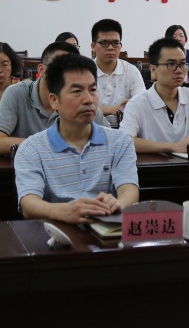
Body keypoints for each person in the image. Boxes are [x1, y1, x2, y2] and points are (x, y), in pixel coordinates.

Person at [14, 53, 140, 224]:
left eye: (93, 90)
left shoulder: (119, 141)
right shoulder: (31, 149)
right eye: (77, 91)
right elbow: (28, 204)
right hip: (56, 232)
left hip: (106, 230)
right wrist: (63, 211)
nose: (88, 100)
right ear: (54, 100)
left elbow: (130, 190)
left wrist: (118, 204)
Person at [120, 37, 189, 153]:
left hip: (188, 164)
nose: (179, 70)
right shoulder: (137, 103)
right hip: (153, 164)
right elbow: (125, 141)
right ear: (153, 69)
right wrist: (173, 147)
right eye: (171, 64)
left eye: (182, 64)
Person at [0, 41, 76, 156]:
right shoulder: (16, 93)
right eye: (58, 67)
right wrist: (47, 145)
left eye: (70, 70)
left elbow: (101, 137)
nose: (64, 74)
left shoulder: (78, 98)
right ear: (41, 70)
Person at [90, 19, 145, 126]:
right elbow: (78, 107)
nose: (111, 48)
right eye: (104, 43)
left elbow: (142, 105)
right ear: (93, 46)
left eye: (115, 43)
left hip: (126, 129)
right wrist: (112, 109)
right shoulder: (85, 72)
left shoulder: (131, 71)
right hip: (92, 130)